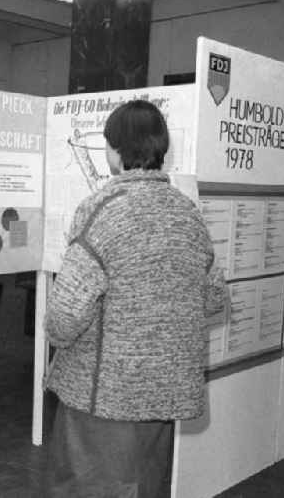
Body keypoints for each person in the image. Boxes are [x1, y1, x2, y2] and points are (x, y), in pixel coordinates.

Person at [44, 100, 226, 498]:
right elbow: (214, 298)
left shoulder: (102, 210)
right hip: (163, 397)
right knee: (147, 488)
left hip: (104, 396)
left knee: (90, 489)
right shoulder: (188, 212)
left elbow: (64, 315)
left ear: (113, 149)